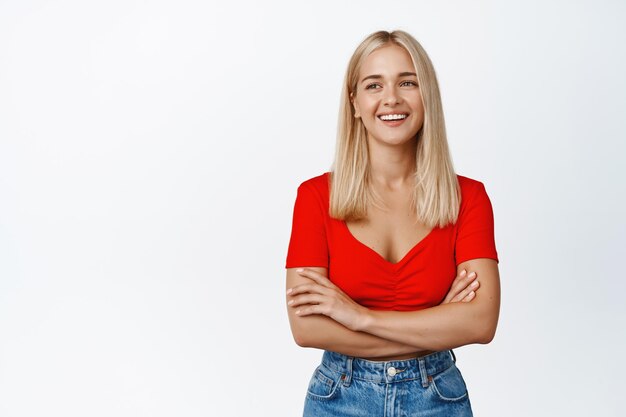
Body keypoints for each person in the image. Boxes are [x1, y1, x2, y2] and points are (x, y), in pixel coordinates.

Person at [284, 29, 500, 417]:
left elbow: (481, 323)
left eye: (408, 82)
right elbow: (308, 330)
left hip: (438, 398)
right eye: (373, 84)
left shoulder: (469, 198)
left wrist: (359, 317)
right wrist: (435, 328)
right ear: (354, 102)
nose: (392, 98)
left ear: (426, 95)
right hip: (339, 399)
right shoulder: (315, 197)